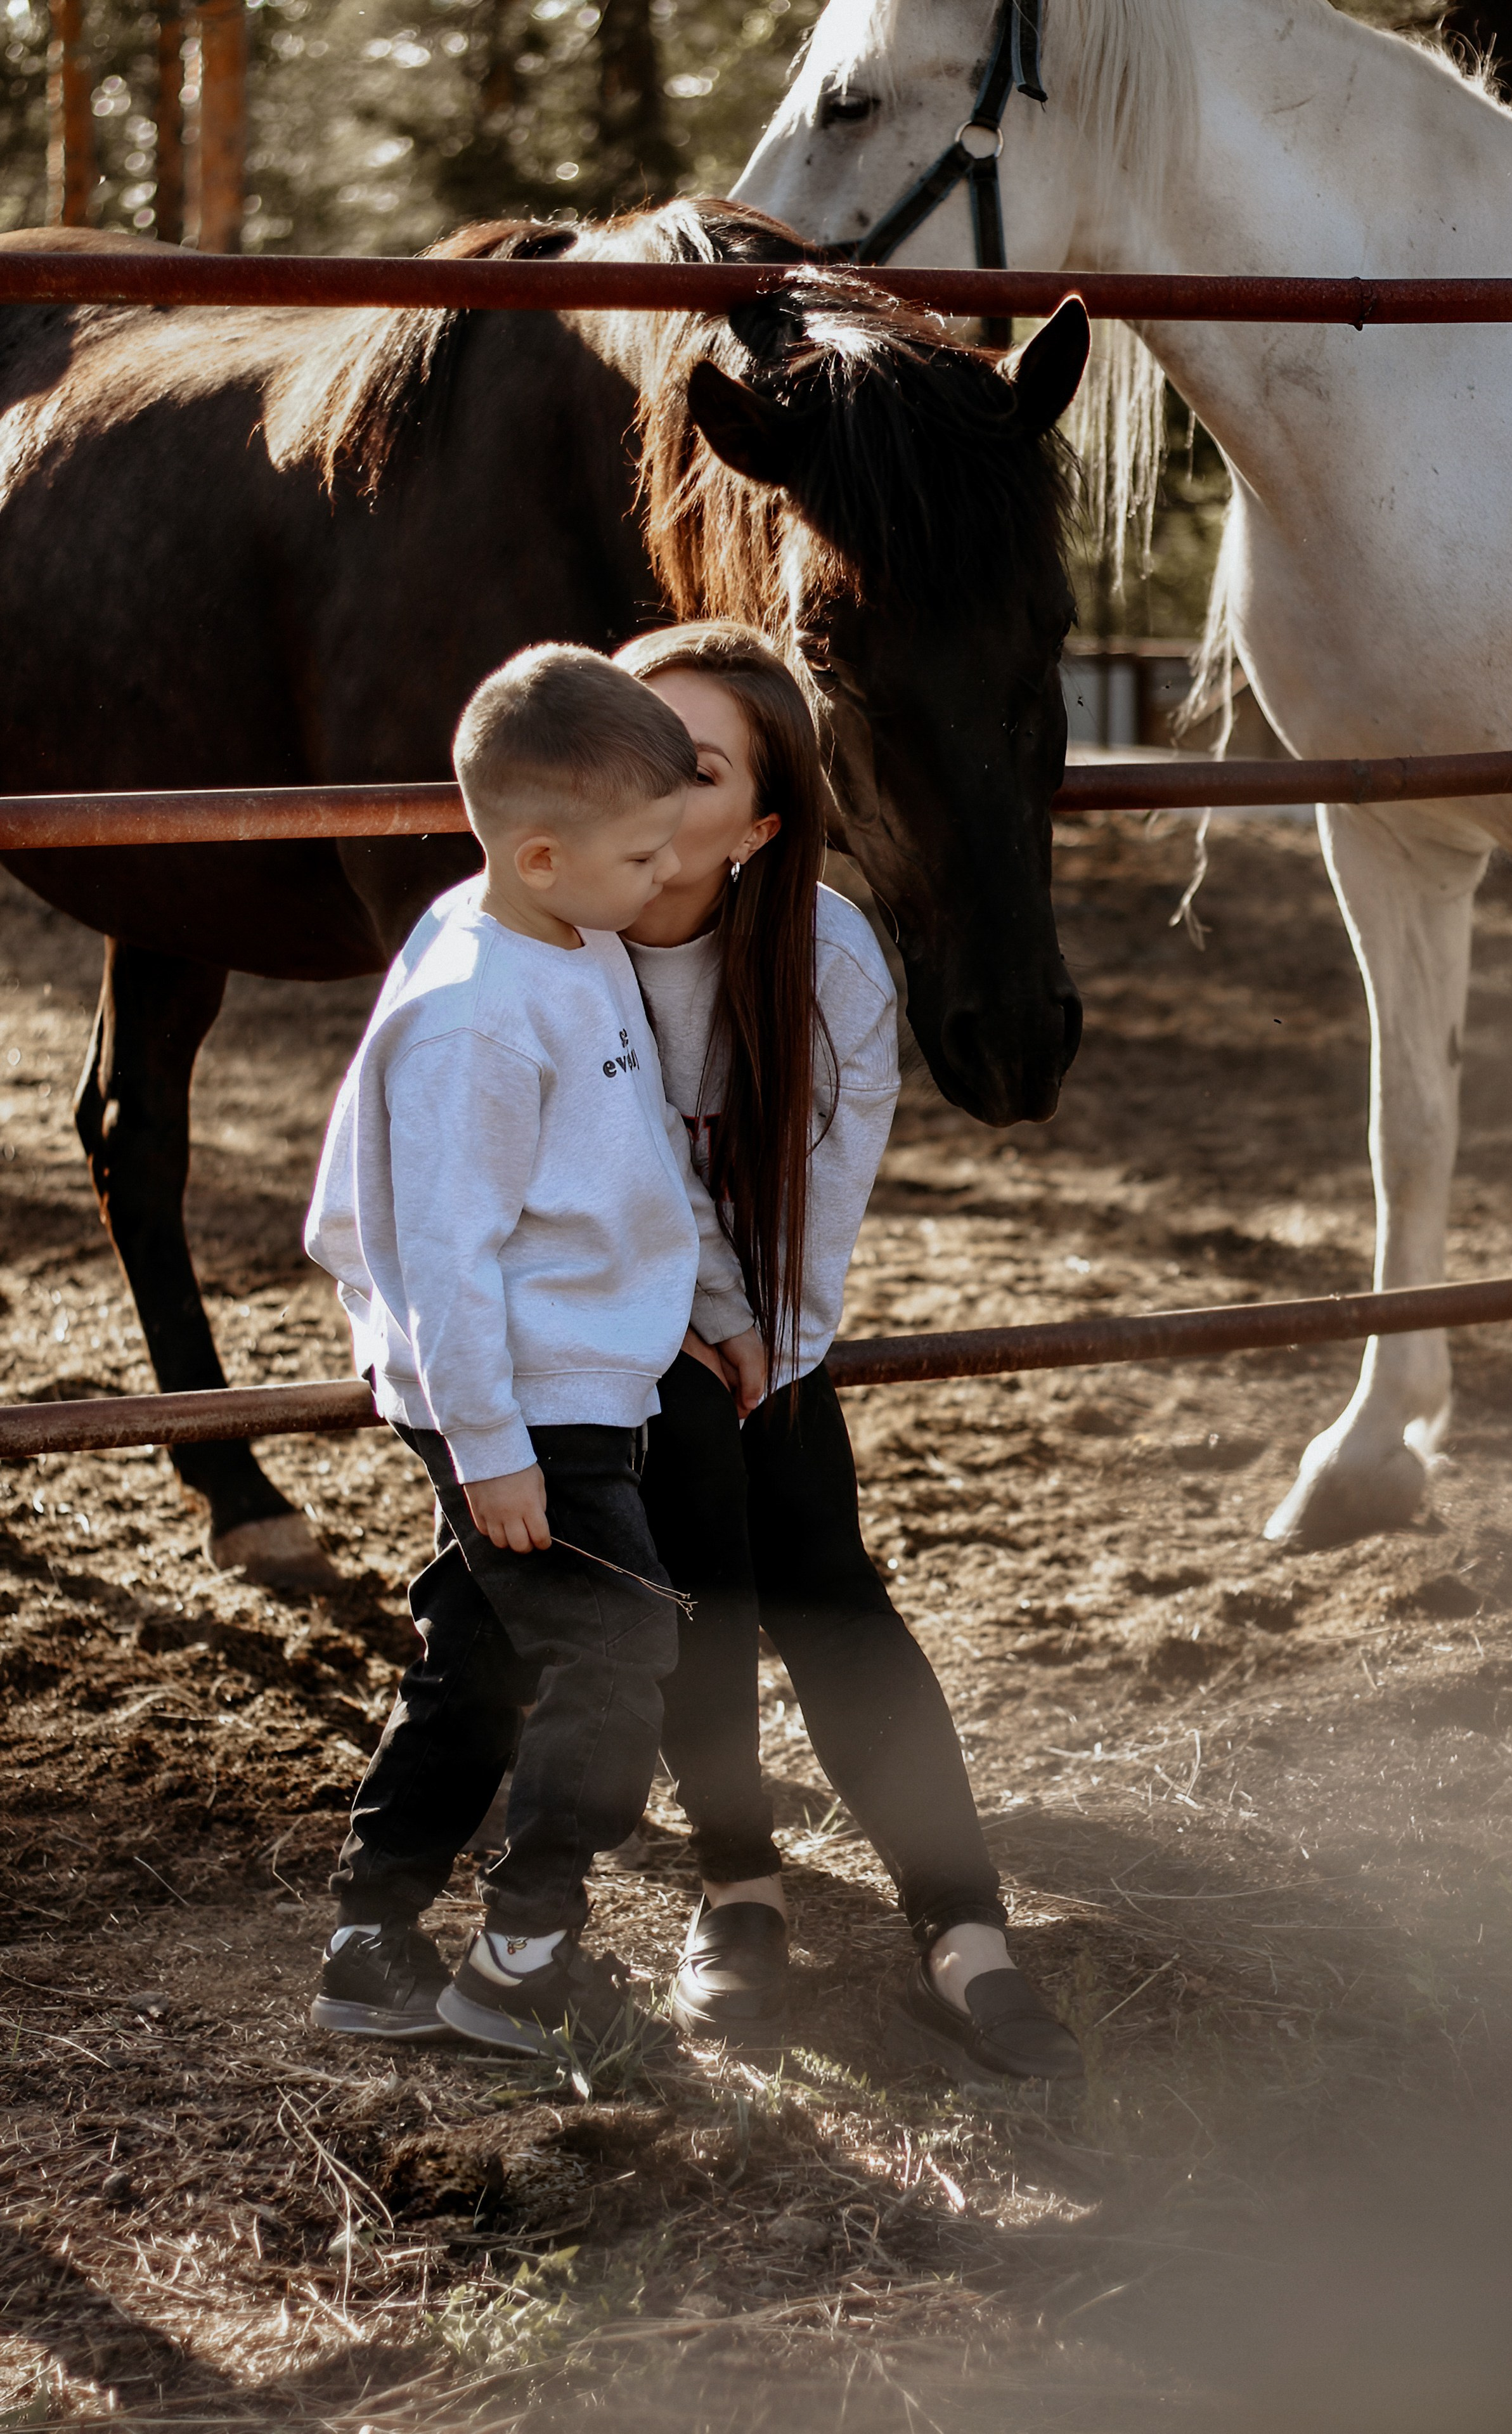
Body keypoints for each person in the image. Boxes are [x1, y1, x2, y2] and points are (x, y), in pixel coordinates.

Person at [616, 623, 1085, 2085]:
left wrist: (777, 1346)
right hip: (607, 1315)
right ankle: (738, 1889)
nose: (637, 792)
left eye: (685, 769)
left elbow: (824, 1179)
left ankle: (960, 1926)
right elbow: (613, 1175)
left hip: (765, 1317)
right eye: (620, 752)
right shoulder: (554, 933)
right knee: (701, 1573)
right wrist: (703, 1330)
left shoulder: (822, 949)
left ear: (761, 823)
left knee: (819, 1564)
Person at [302, 643, 763, 2056]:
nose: (666, 882)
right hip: (516, 1394)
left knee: (477, 1659)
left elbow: (629, 1154)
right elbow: (441, 1257)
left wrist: (712, 1297)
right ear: (546, 853)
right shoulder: (474, 1017)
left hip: (573, 1369)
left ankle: (370, 1944)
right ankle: (524, 1959)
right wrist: (491, 1447)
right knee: (621, 1644)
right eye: (643, 858)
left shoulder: (573, 937)